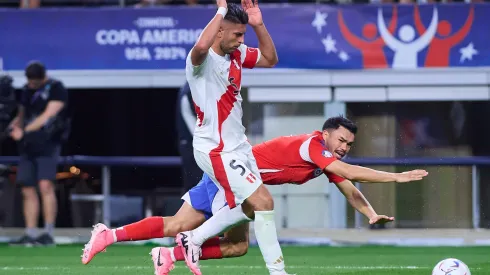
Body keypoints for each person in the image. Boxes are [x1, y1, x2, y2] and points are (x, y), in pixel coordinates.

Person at [81, 116, 428, 275]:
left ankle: (118, 238)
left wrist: (369, 214)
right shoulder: (313, 147)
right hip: (231, 177)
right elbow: (351, 173)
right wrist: (397, 179)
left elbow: (349, 188)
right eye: (341, 141)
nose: (344, 148)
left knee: (231, 244)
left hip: (230, 181)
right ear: (326, 135)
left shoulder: (327, 161)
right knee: (259, 204)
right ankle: (264, 267)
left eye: (349, 145)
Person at [8, 61, 69, 246]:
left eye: (35, 82)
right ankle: (31, 233)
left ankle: (48, 233)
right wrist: (15, 125)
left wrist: (24, 131)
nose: (32, 84)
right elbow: (22, 112)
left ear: (42, 77)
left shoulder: (56, 88)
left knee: (45, 186)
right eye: (30, 82)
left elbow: (48, 115)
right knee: (27, 188)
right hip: (28, 147)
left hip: (48, 144)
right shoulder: (27, 90)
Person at [176, 81, 202, 194]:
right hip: (194, 147)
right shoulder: (191, 89)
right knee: (195, 189)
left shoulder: (188, 88)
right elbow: (194, 124)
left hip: (193, 144)